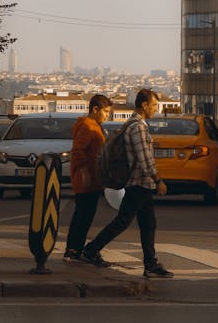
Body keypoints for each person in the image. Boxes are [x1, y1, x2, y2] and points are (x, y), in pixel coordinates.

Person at [81, 89, 174, 278]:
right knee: (125, 221)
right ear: (144, 105)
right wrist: (158, 180)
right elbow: (144, 158)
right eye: (154, 105)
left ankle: (150, 264)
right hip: (139, 182)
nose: (156, 109)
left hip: (140, 183)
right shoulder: (138, 127)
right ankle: (91, 250)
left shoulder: (133, 124)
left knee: (147, 223)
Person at [63, 93, 113, 261]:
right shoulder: (87, 126)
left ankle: (74, 249)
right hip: (86, 180)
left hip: (92, 179)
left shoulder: (95, 125)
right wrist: (84, 172)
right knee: (83, 215)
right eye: (105, 111)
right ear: (95, 109)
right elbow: (78, 151)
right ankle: (73, 250)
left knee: (83, 215)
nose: (108, 115)